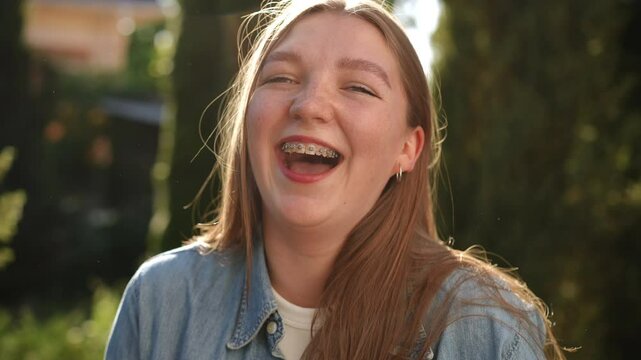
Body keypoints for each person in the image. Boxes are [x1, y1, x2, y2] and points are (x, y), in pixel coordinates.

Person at [106, 0, 566, 359]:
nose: (308, 105)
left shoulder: (486, 330)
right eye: (282, 77)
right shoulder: (162, 301)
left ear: (408, 148)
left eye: (359, 87)